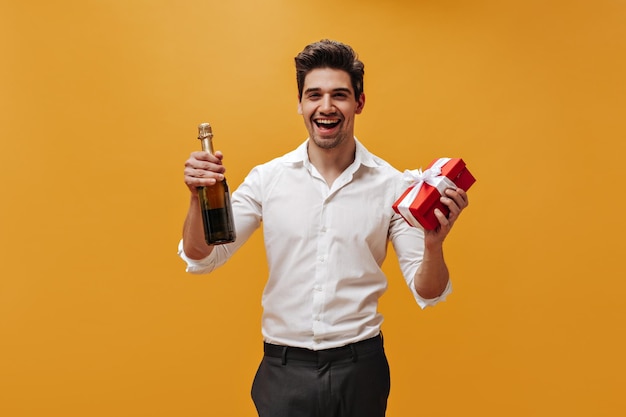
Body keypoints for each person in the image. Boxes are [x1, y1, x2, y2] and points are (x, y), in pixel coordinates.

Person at [179, 39, 469, 417]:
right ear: (300, 104)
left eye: (340, 95)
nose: (326, 106)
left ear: (359, 103)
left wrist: (434, 242)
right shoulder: (268, 179)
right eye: (314, 95)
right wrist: (195, 197)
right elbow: (204, 254)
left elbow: (428, 290)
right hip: (283, 371)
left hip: (360, 369)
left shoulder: (394, 186)